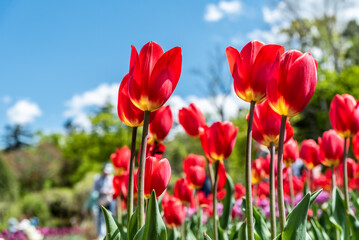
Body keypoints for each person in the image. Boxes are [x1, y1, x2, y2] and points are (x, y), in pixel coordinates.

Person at [93, 163, 116, 240]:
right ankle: (101, 235)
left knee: (111, 217)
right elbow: (94, 189)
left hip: (110, 200)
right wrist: (103, 191)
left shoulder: (112, 178)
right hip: (101, 201)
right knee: (101, 218)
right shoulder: (97, 178)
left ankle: (110, 233)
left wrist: (110, 191)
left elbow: (115, 189)